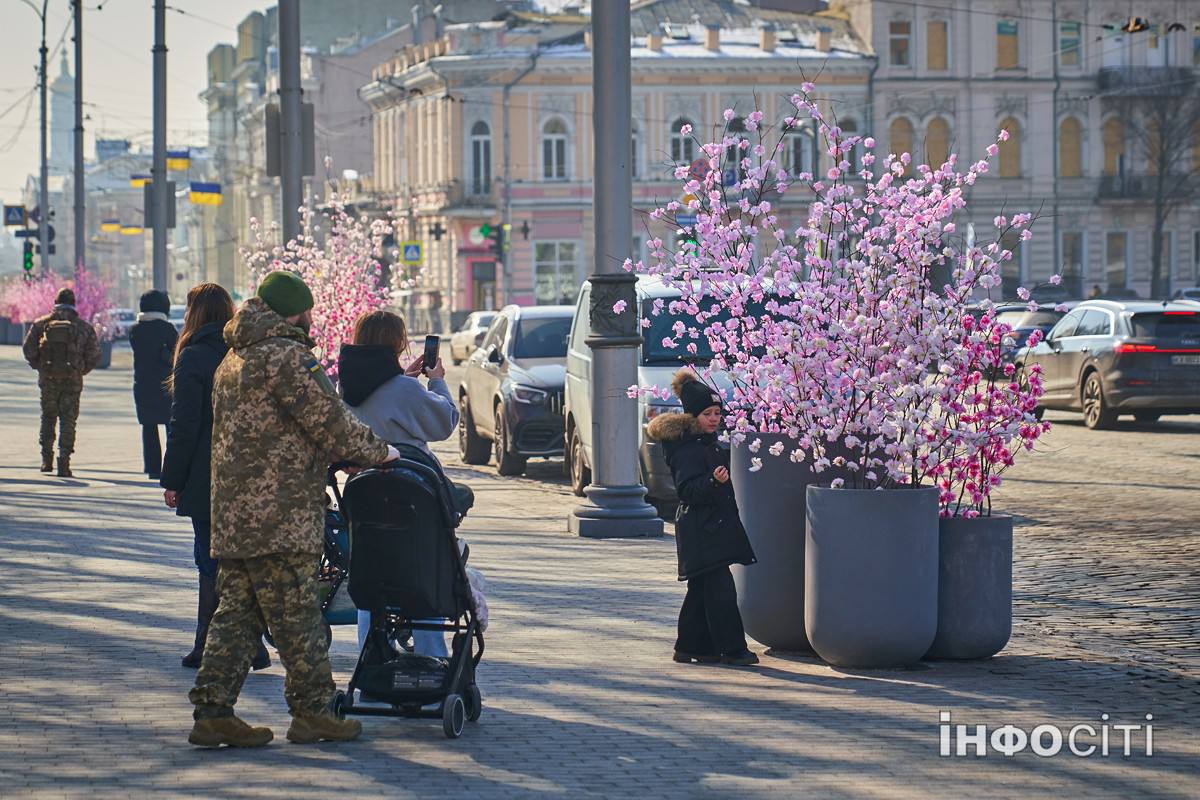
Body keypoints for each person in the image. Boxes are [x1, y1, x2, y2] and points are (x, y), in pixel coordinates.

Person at [187, 270, 399, 749]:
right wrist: (381, 453)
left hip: (236, 515)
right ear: (295, 311)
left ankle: (212, 712)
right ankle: (314, 713)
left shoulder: (234, 358)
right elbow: (331, 421)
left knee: (236, 616)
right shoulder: (286, 356)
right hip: (280, 516)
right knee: (298, 615)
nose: (313, 319)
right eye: (308, 311)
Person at [336, 309, 461, 659]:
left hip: (363, 498)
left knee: (371, 573)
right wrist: (435, 380)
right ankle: (430, 653)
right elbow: (444, 421)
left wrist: (404, 379)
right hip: (411, 496)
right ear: (397, 343)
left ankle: (370, 654)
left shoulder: (342, 390)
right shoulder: (405, 390)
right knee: (422, 568)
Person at [160, 283, 269, 671]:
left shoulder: (193, 356)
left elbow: (185, 425)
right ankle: (252, 645)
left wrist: (171, 478)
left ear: (193, 314)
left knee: (209, 560)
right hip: (252, 476)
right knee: (237, 561)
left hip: (209, 477)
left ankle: (207, 644)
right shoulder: (247, 352)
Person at [646, 369, 758, 667]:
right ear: (693, 416)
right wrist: (712, 481)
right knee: (721, 590)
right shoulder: (685, 449)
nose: (714, 418)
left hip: (711, 528)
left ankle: (690, 647)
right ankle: (734, 649)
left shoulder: (707, 443)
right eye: (707, 413)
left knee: (700, 589)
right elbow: (686, 491)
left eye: (717, 412)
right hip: (702, 529)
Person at [22, 288, 102, 477]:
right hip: (72, 381)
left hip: (48, 379)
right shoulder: (83, 327)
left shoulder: (41, 324)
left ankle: (46, 460)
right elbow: (95, 354)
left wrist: (40, 367)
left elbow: (28, 349)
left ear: (55, 302)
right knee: (68, 419)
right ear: (74, 304)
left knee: (48, 417)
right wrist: (80, 371)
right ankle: (64, 462)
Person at [129, 290, 178, 479]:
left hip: (142, 384)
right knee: (170, 426)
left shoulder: (135, 330)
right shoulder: (167, 329)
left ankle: (152, 467)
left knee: (148, 427)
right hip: (166, 384)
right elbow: (175, 355)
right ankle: (171, 466)